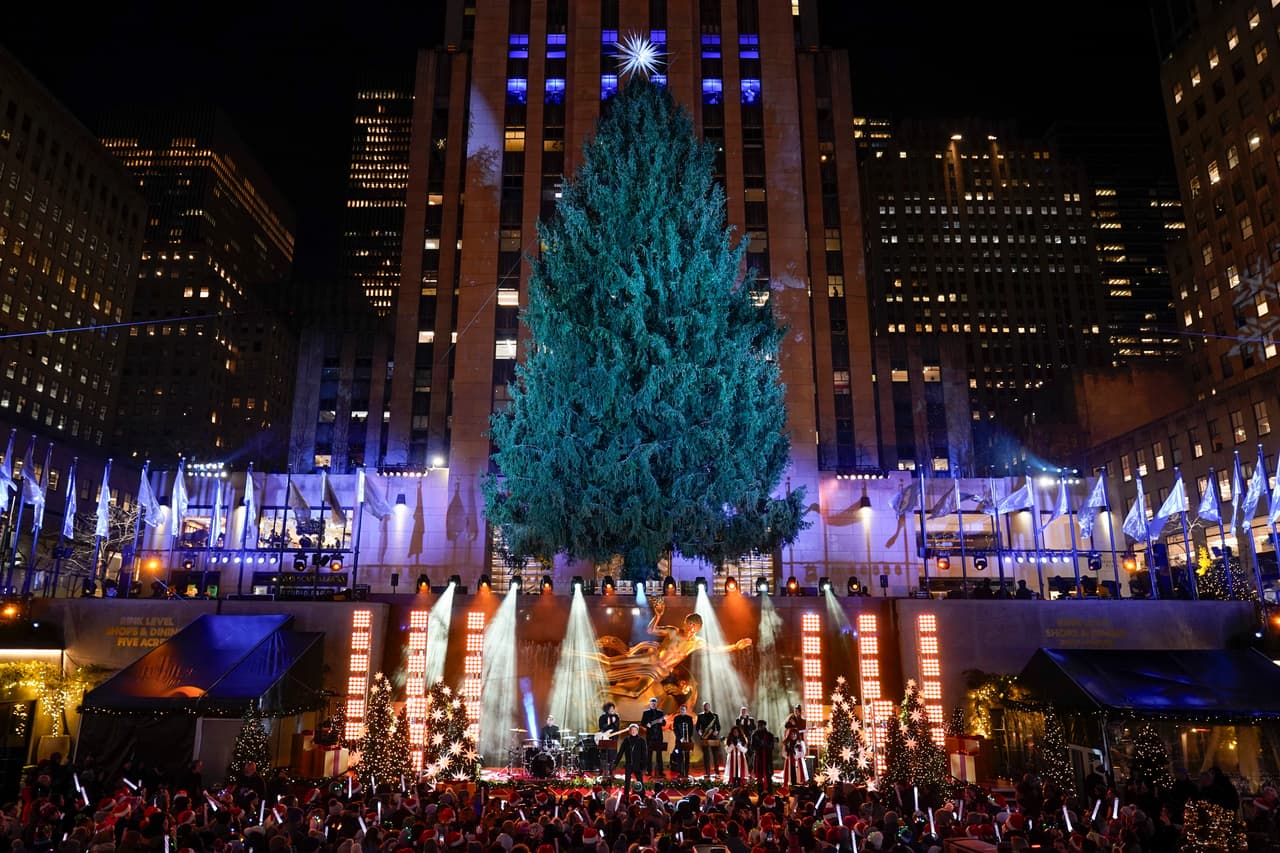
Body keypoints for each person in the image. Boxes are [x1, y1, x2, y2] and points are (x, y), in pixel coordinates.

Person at [594, 600, 753, 701]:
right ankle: (582, 654)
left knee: (635, 693)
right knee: (610, 662)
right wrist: (658, 616)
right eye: (689, 625)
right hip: (650, 659)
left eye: (694, 627)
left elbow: (716, 649)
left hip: (658, 672)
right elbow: (651, 630)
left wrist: (735, 646)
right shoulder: (673, 631)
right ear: (685, 623)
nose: (691, 629)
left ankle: (603, 690)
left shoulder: (696, 642)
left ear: (699, 628)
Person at [640, 697, 667, 776]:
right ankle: (648, 771)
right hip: (650, 736)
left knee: (659, 754)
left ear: (656, 704)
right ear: (650, 704)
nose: (653, 705)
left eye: (654, 703)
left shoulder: (660, 712)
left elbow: (664, 723)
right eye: (652, 703)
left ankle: (660, 771)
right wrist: (647, 724)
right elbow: (642, 723)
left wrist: (661, 722)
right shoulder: (646, 712)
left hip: (659, 736)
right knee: (649, 754)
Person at [696, 701, 722, 778]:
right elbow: (697, 726)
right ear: (703, 707)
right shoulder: (700, 715)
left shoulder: (715, 716)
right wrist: (699, 731)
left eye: (707, 706)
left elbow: (718, 726)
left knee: (715, 755)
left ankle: (717, 772)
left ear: (709, 707)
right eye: (705, 706)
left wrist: (716, 732)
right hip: (704, 737)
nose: (706, 707)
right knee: (706, 755)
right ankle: (707, 772)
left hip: (713, 737)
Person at [597, 701, 621, 782]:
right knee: (603, 755)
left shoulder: (616, 716)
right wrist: (608, 723)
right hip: (604, 738)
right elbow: (601, 727)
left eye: (613, 708)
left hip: (613, 738)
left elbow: (617, 727)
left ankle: (611, 772)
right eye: (610, 708)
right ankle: (602, 771)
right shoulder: (602, 717)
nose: (612, 710)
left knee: (612, 755)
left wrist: (614, 722)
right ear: (606, 709)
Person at [619, 724, 648, 793]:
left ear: (637, 731)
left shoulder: (642, 740)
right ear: (629, 731)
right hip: (629, 764)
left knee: (640, 780)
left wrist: (644, 766)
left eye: (635, 730)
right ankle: (626, 794)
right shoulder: (626, 740)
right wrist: (615, 762)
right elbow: (620, 752)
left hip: (638, 764)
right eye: (632, 730)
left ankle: (642, 794)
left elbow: (644, 754)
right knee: (627, 781)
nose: (633, 731)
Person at [750, 719, 775, 792]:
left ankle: (769, 792)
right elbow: (752, 747)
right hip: (758, 758)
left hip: (767, 758)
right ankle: (760, 792)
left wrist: (764, 744)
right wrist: (759, 746)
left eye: (761, 725)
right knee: (759, 776)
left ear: (764, 726)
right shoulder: (754, 735)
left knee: (768, 775)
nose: (760, 727)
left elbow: (772, 747)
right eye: (759, 725)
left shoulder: (769, 735)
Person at [672, 704, 695, 778]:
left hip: (687, 740)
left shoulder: (689, 718)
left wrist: (687, 738)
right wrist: (680, 738)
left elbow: (691, 730)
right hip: (679, 741)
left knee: (687, 757)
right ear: (680, 710)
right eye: (681, 709)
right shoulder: (676, 718)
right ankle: (681, 773)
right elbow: (675, 729)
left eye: (683, 709)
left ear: (686, 710)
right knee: (679, 757)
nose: (682, 711)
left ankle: (686, 772)